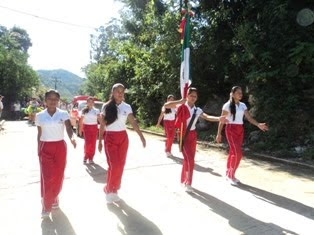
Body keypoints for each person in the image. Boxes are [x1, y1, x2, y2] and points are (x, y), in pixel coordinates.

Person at [164, 87, 227, 192]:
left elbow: (206, 116)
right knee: (190, 159)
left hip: (192, 135)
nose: (193, 98)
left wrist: (218, 119)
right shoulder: (181, 106)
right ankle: (188, 183)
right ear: (187, 96)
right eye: (191, 95)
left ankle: (185, 179)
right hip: (182, 135)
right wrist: (180, 100)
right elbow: (166, 105)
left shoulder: (197, 110)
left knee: (189, 159)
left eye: (195, 96)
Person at [98, 83, 146, 204]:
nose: (120, 93)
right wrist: (99, 141)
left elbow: (133, 122)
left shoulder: (127, 107)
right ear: (113, 93)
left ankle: (114, 190)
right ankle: (109, 190)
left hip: (123, 138)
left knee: (120, 165)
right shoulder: (106, 106)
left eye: (122, 91)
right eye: (117, 91)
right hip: (110, 138)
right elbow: (102, 125)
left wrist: (141, 136)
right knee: (114, 165)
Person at [35, 90, 77, 219]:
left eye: (55, 99)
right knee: (47, 177)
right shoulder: (40, 115)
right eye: (50, 98)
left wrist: (72, 138)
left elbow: (69, 128)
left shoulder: (63, 114)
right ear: (45, 100)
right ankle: (46, 206)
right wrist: (38, 149)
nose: (53, 101)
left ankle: (54, 197)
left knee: (58, 176)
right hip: (45, 146)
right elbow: (39, 133)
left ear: (58, 101)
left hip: (60, 147)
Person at [216, 86, 268, 186]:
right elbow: (221, 121)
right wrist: (219, 133)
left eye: (241, 93)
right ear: (233, 93)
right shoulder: (227, 105)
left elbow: (249, 118)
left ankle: (228, 173)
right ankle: (231, 176)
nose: (241, 94)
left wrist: (258, 124)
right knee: (238, 154)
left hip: (240, 129)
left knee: (233, 152)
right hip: (230, 129)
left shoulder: (243, 105)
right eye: (238, 93)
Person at [79, 97, 100, 164]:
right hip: (87, 127)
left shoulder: (96, 110)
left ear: (93, 103)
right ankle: (85, 156)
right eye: (89, 102)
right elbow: (81, 121)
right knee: (87, 143)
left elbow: (99, 119)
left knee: (93, 143)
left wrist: (104, 125)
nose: (90, 103)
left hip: (94, 127)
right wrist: (80, 129)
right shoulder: (84, 110)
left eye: (92, 102)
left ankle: (91, 158)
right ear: (87, 103)